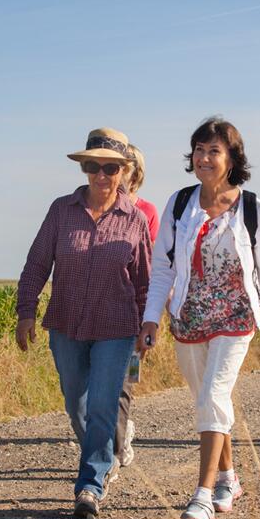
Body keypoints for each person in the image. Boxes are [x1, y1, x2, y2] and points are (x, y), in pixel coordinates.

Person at [138, 116, 260, 519]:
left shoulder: (252, 208)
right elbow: (163, 269)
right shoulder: (179, 203)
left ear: (231, 158)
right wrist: (151, 317)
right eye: (199, 150)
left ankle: (202, 496)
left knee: (213, 394)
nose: (204, 158)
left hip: (236, 315)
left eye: (214, 151)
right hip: (189, 316)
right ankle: (228, 477)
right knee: (208, 400)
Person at [16, 128, 151, 519]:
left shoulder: (135, 220)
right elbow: (37, 262)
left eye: (111, 168)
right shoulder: (61, 210)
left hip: (117, 327)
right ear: (85, 168)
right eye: (93, 166)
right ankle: (102, 454)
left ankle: (90, 484)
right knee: (77, 403)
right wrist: (26, 311)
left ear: (124, 171)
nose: (102, 175)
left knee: (104, 407)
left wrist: (147, 325)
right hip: (66, 325)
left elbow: (144, 279)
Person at [115, 144, 160, 467]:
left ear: (135, 172)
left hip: (135, 309)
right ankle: (110, 436)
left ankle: (119, 439)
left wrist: (151, 315)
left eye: (123, 167)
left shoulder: (147, 211)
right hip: (100, 308)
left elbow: (152, 264)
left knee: (125, 380)